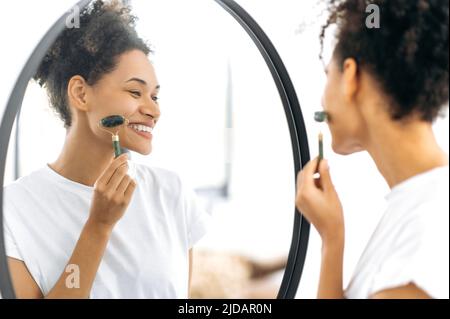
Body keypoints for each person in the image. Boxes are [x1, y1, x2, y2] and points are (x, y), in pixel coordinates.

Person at [3, 0, 210, 298]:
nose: (154, 110)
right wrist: (98, 226)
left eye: (155, 96)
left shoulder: (171, 192)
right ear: (80, 93)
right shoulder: (12, 210)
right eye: (135, 92)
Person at [296, 0, 449, 299]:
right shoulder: (416, 206)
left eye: (328, 75)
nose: (323, 100)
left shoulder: (427, 236)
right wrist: (332, 240)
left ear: (350, 77)